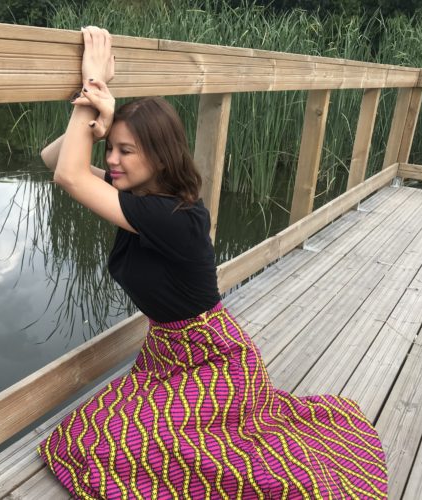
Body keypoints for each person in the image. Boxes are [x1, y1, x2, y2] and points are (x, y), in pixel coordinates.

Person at [37, 26, 388, 499]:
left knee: (119, 448)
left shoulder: (171, 217)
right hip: (168, 355)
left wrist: (94, 85)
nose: (113, 160)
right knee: (90, 435)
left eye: (126, 151)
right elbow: (54, 159)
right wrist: (101, 118)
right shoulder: (136, 198)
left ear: (160, 157)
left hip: (214, 361)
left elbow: (70, 175)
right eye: (110, 149)